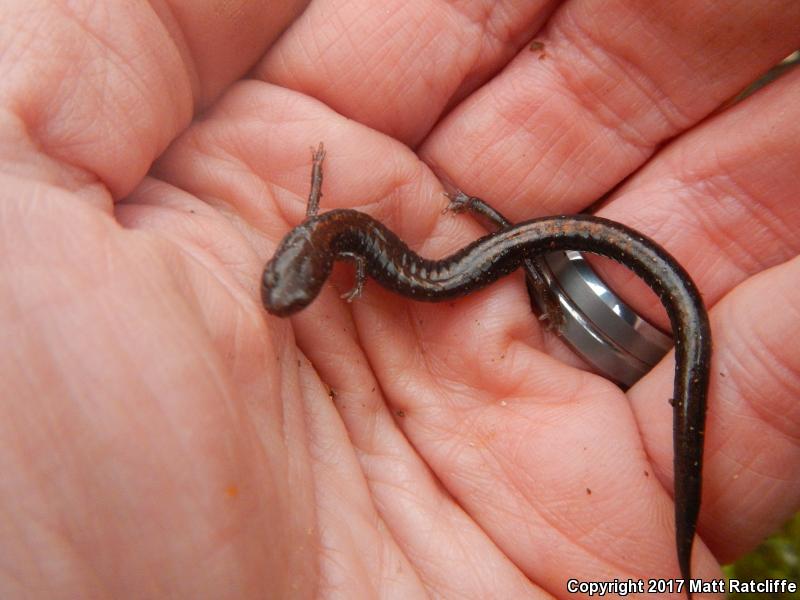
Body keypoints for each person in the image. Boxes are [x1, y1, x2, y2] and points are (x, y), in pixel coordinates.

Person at [1, 1, 798, 597]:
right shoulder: (330, 229)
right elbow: (339, 231)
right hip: (479, 250)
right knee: (513, 249)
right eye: (302, 283)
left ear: (306, 258)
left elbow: (357, 249)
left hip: (483, 257)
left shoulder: (340, 241)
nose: (295, 294)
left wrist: (437, 255)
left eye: (302, 284)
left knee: (511, 252)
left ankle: (527, 253)